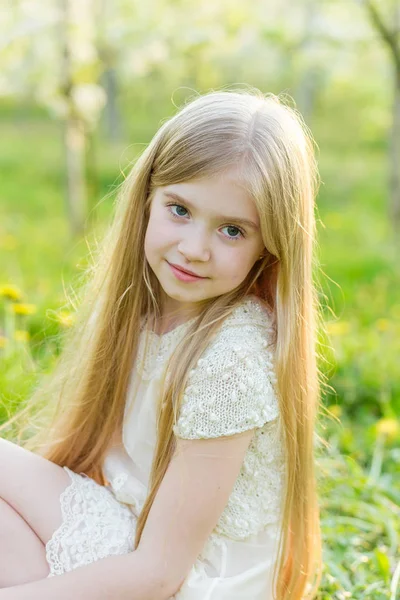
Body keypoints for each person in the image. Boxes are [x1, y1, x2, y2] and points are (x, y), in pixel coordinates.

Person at [0, 87, 323, 600]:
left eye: (233, 231)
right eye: (179, 209)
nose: (194, 249)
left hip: (186, 582)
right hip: (134, 539)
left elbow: (160, 574)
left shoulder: (232, 361)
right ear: (148, 198)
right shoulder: (146, 307)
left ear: (271, 247)